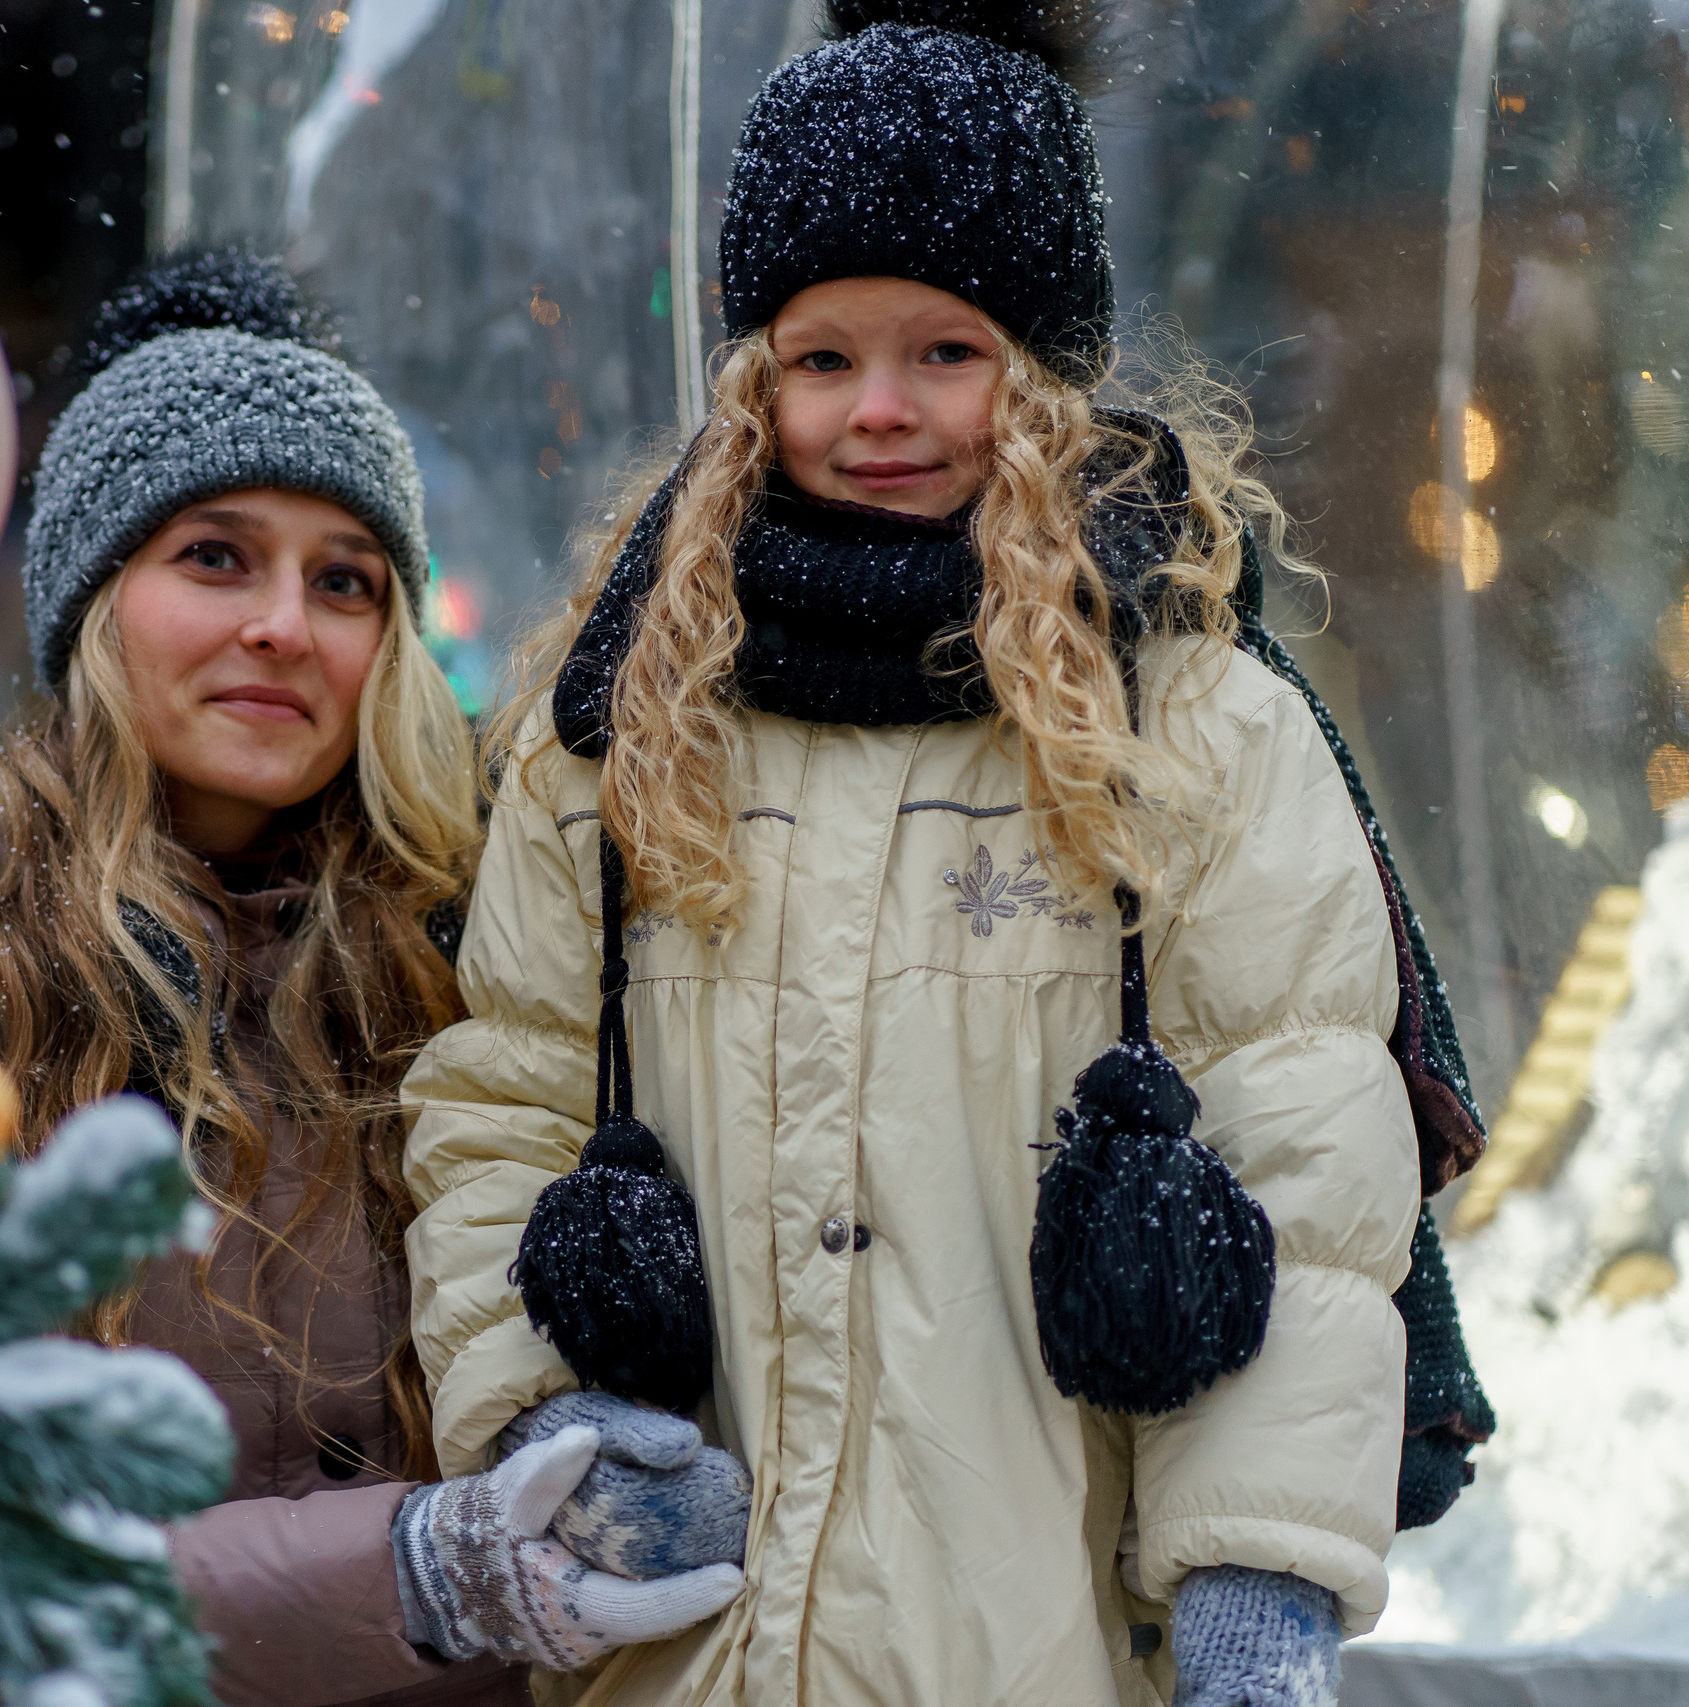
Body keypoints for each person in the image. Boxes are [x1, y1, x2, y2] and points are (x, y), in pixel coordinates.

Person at [399, 7, 1487, 1705]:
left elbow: (1302, 1169)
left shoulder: (1194, 731)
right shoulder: (620, 731)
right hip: (699, 1663)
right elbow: (502, 1108)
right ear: (756, 383)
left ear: (1042, 375)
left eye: (947, 354)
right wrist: (553, 1417)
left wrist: (1258, 1589)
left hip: (1044, 1648)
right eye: (823, 359)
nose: (880, 411)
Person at [0, 254, 745, 1707]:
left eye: (346, 581)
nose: (286, 627)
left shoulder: (468, 970)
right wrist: (412, 1575)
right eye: (215, 556)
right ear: (92, 598)